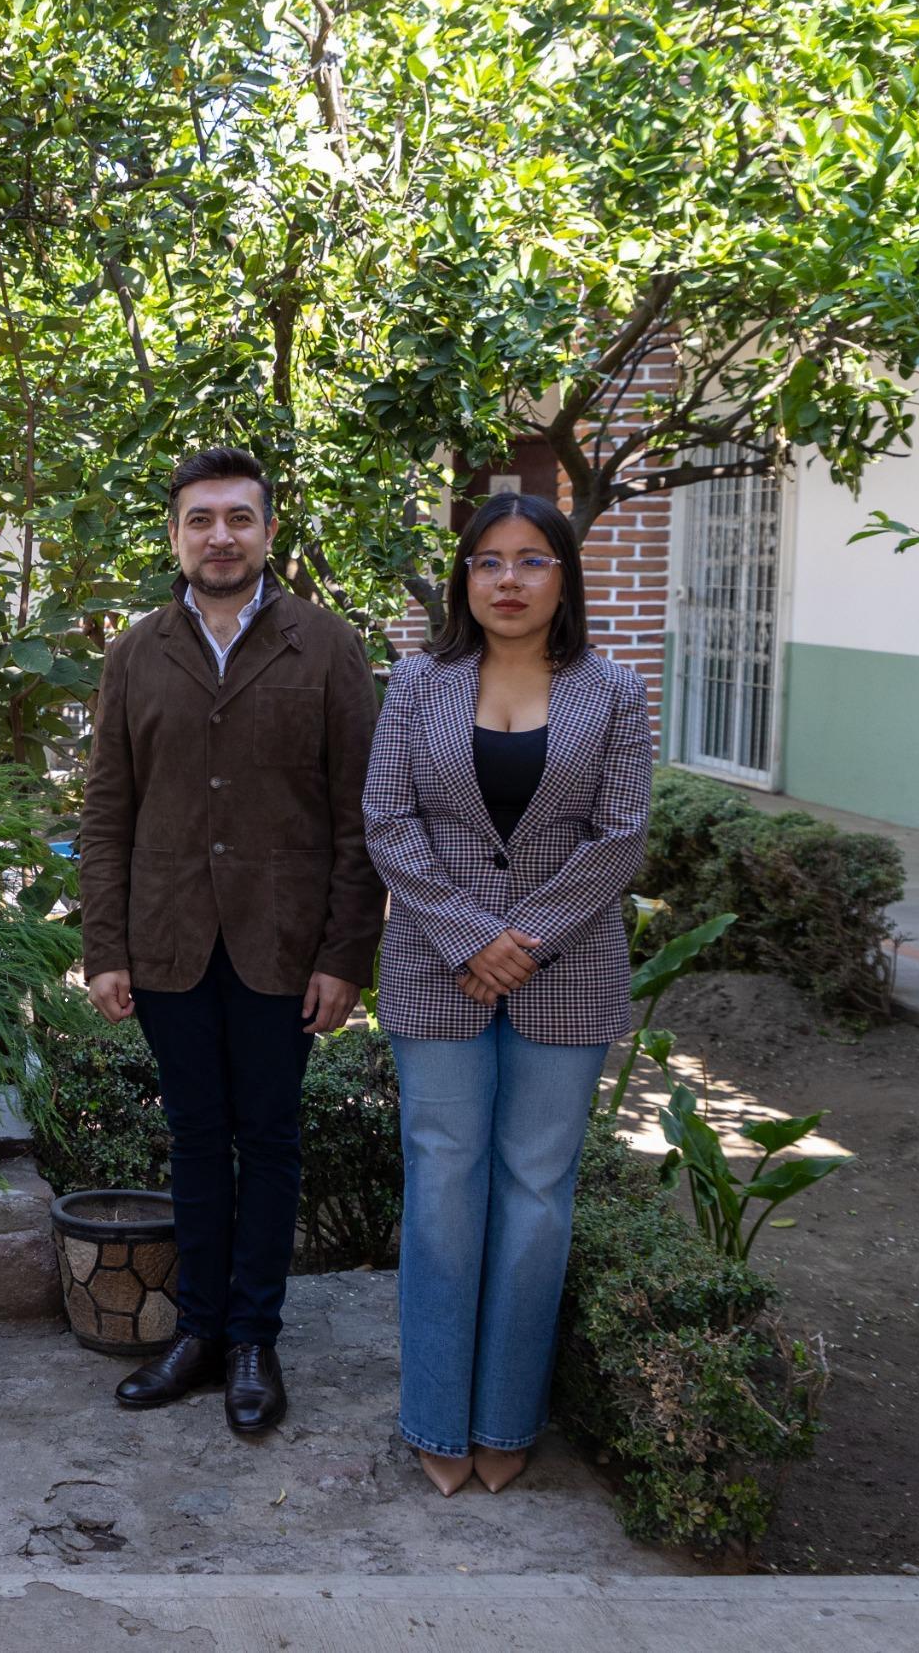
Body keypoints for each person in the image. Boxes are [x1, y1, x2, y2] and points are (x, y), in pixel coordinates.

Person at [79, 446, 385, 1433]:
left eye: (239, 518)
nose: (221, 536)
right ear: (175, 535)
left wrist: (344, 955)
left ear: (268, 531)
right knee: (195, 1137)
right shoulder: (135, 654)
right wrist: (104, 945)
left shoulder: (326, 647)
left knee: (271, 1136)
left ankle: (255, 1337)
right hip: (167, 939)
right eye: (201, 519)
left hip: (281, 945)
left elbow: (361, 816)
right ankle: (198, 1331)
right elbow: (106, 811)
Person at [363, 491, 653, 1496]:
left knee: (536, 1194)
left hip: (565, 971)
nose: (508, 580)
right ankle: (437, 1415)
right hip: (436, 967)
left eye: (532, 560)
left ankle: (505, 1417)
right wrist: (467, 935)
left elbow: (620, 833)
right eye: (487, 561)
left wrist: (521, 940)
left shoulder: (613, 690)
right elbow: (387, 818)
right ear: (464, 579)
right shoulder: (417, 681)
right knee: (443, 1184)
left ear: (564, 576)